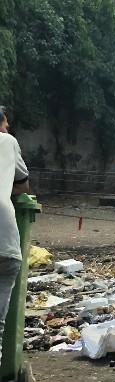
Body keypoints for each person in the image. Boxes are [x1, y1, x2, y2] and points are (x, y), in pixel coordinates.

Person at [0, 106, 30, 365]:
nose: (8, 128)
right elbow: (24, 184)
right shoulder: (7, 142)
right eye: (6, 124)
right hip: (5, 239)